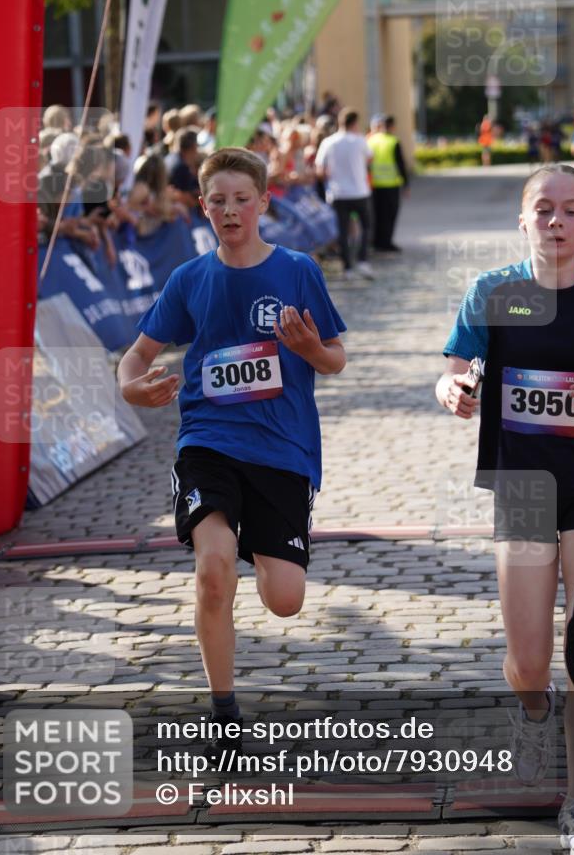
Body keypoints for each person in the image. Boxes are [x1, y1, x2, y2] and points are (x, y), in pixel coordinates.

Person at [118, 146, 346, 744]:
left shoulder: (297, 269)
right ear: (201, 207)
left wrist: (308, 351)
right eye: (217, 200)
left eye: (242, 199)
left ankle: (259, 537)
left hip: (282, 448)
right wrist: (132, 389)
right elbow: (136, 357)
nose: (230, 210)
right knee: (214, 569)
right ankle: (223, 714)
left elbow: (336, 359)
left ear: (265, 202)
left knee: (286, 600)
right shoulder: (190, 278)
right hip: (208, 440)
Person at [436, 164, 574, 855]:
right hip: (520, 486)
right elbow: (454, 369)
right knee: (524, 660)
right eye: (542, 209)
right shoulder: (492, 292)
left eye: (569, 210)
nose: (555, 221)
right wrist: (452, 389)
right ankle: (530, 706)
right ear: (522, 221)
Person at [315, 108, 375, 280]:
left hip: (337, 192)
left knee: (342, 230)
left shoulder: (328, 142)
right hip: (359, 191)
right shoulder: (360, 140)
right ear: (355, 123)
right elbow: (370, 158)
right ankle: (362, 260)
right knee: (366, 226)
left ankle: (347, 268)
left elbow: (320, 169)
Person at [367, 113, 409, 253]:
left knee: (377, 215)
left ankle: (376, 242)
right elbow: (400, 164)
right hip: (390, 184)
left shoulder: (370, 140)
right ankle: (386, 243)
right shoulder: (393, 141)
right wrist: (406, 184)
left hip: (373, 185)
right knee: (390, 215)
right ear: (391, 126)